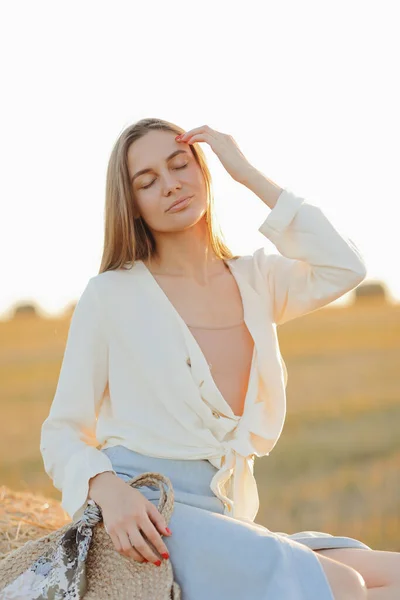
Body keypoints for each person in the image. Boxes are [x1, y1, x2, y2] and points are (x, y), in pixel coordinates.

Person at [40, 118, 381, 599]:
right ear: (132, 204)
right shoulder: (111, 295)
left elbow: (345, 266)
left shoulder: (257, 280)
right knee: (348, 586)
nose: (170, 184)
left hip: (227, 515)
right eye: (147, 180)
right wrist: (107, 490)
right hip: (151, 509)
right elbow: (61, 431)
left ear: (203, 172)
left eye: (180, 165)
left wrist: (247, 173)